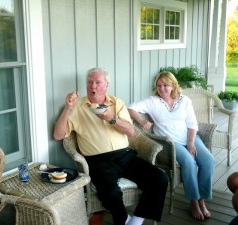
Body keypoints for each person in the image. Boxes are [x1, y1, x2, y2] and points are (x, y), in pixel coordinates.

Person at [53, 67, 168, 225]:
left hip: (125, 155)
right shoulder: (78, 107)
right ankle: (122, 219)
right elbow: (58, 135)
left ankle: (136, 220)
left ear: (106, 85)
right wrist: (68, 108)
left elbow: (131, 132)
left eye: (98, 82)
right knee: (111, 192)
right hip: (98, 160)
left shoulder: (116, 103)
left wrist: (110, 118)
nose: (93, 86)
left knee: (159, 178)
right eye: (89, 82)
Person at [128, 71, 215, 221]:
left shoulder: (185, 100)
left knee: (208, 161)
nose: (162, 88)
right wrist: (142, 121)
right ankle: (194, 201)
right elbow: (131, 108)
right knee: (189, 161)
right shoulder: (153, 101)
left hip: (189, 138)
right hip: (171, 143)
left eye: (166, 85)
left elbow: (192, 123)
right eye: (159, 85)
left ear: (173, 86)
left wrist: (191, 143)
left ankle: (202, 199)